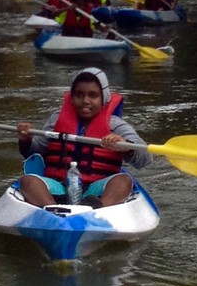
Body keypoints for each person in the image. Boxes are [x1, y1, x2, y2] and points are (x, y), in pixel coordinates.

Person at [16, 68, 151, 208]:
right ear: (72, 98)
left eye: (93, 96)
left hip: (97, 190)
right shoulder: (56, 120)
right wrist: (26, 139)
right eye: (79, 95)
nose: (86, 101)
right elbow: (35, 150)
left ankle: (99, 208)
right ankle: (52, 209)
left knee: (124, 180)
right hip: (58, 186)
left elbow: (145, 159)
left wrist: (126, 146)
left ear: (103, 99)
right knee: (28, 180)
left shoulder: (116, 125)